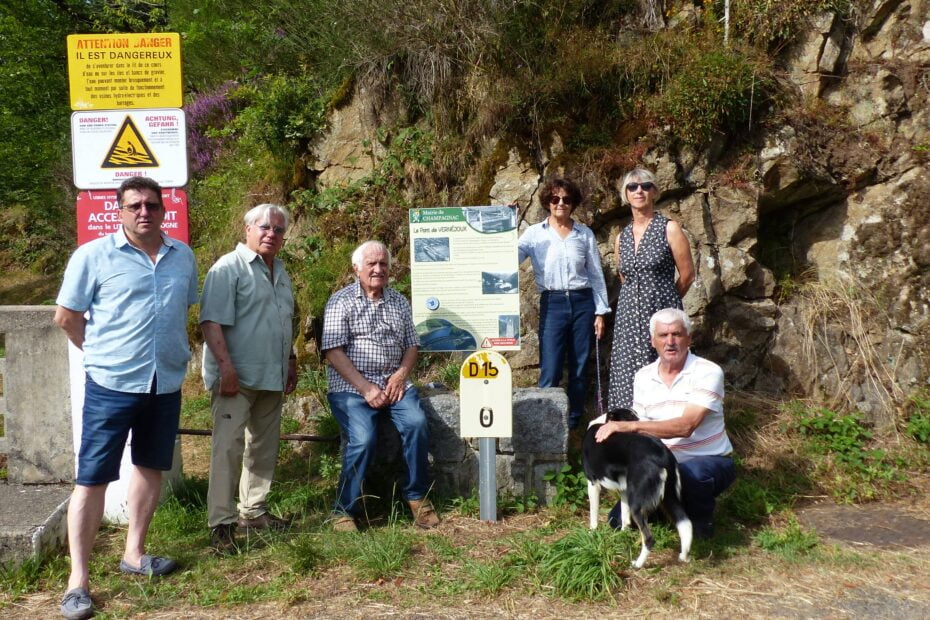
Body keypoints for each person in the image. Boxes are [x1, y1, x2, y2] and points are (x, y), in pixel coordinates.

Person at [54, 176, 198, 620]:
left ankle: (134, 554)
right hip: (111, 384)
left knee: (151, 466)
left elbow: (182, 312)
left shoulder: (183, 257)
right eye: (134, 205)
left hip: (164, 383)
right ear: (118, 210)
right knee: (93, 478)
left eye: (152, 205)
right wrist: (100, 356)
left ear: (163, 210)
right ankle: (78, 581)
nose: (144, 212)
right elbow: (67, 317)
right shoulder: (93, 256)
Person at [321, 240, 440, 531]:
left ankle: (417, 497)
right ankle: (344, 510)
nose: (378, 269)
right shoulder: (341, 301)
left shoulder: (399, 301)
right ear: (356, 268)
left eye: (383, 264)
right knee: (363, 439)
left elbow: (412, 345)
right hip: (351, 387)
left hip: (394, 384)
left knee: (416, 424)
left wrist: (400, 375)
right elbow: (333, 352)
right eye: (371, 264)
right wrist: (366, 388)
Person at [200, 204, 297, 554]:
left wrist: (290, 360)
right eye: (265, 227)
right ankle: (221, 525)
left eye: (278, 230)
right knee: (227, 448)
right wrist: (225, 369)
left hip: (271, 374)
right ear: (247, 230)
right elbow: (211, 322)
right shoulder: (228, 268)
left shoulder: (281, 271)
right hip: (236, 378)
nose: (272, 234)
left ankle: (253, 512)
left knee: (263, 447)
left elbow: (285, 320)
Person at [594, 308, 735, 538]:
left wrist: (628, 427)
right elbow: (638, 425)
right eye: (663, 335)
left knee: (692, 476)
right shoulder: (642, 376)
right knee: (617, 522)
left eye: (677, 334)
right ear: (653, 341)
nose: (670, 342)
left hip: (705, 460)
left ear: (689, 338)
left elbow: (686, 426)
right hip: (661, 464)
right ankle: (662, 507)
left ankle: (701, 522)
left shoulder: (708, 372)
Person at [517, 177, 610, 429]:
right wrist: (504, 227)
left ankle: (573, 421)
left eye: (566, 199)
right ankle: (546, 421)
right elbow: (509, 259)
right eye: (555, 199)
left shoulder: (584, 234)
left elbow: (595, 274)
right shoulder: (534, 234)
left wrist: (600, 312)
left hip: (583, 302)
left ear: (573, 204)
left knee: (580, 366)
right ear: (547, 202)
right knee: (551, 364)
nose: (560, 203)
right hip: (553, 302)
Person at [607, 167, 694, 409]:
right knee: (627, 372)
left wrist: (667, 303)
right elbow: (625, 278)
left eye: (645, 186)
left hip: (661, 314)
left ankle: (666, 431)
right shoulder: (621, 238)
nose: (639, 191)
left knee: (664, 369)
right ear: (625, 194)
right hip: (628, 318)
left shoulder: (669, 228)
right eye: (632, 187)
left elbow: (687, 275)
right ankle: (626, 429)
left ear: (654, 191)